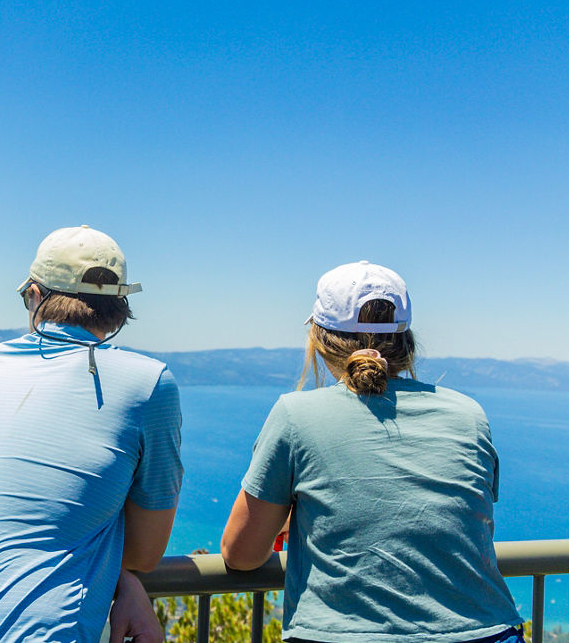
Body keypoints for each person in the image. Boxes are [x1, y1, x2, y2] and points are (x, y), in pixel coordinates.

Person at [0, 225, 183, 643]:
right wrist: (127, 581)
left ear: (34, 296)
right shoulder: (149, 384)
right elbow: (144, 554)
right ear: (119, 308)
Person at [221, 261, 523, 643]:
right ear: (407, 341)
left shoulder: (295, 415)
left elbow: (240, 553)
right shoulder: (468, 414)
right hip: (484, 632)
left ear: (319, 338)